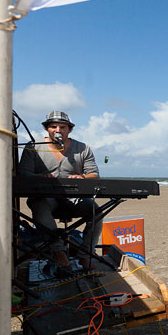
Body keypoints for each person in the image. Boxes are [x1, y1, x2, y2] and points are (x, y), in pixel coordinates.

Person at [18, 111, 101, 266]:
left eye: (62, 127)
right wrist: (40, 177)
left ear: (69, 130)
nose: (58, 130)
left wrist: (82, 178)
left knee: (97, 212)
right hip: (46, 199)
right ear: (47, 129)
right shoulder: (33, 147)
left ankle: (87, 253)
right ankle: (58, 252)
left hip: (73, 199)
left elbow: (94, 175)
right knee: (40, 205)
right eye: (53, 126)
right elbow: (23, 173)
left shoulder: (83, 148)